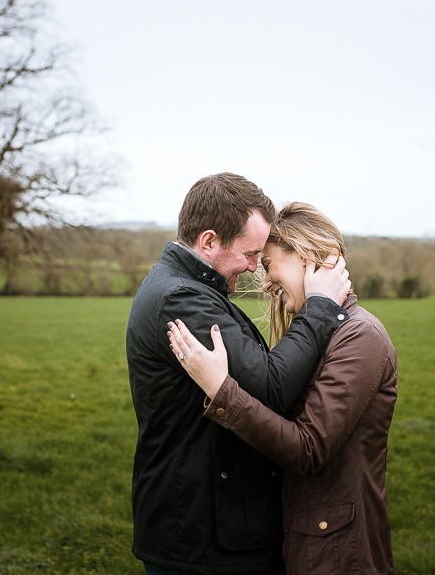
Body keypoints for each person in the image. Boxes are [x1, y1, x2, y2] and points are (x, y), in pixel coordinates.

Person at [126, 174, 352, 575]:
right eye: (249, 253)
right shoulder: (183, 298)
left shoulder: (186, 288)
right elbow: (270, 387)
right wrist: (319, 306)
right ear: (208, 241)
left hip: (211, 528)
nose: (253, 268)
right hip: (202, 540)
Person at [167, 202, 398, 575]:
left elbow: (307, 448)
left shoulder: (360, 336)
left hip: (340, 554)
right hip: (304, 542)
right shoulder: (318, 331)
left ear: (308, 258)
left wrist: (221, 390)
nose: (266, 282)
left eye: (270, 264)